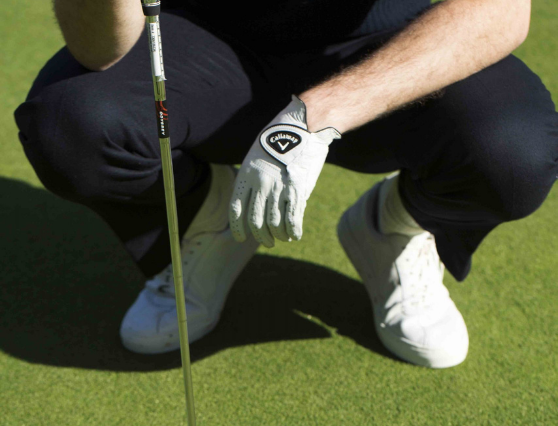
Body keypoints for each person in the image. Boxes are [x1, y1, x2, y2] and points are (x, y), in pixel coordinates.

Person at [14, 0, 557, 368]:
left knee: (515, 152)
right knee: (72, 125)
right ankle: (208, 219)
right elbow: (101, 53)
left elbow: (501, 10)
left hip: (395, 39)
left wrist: (315, 117)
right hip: (207, 36)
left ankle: (393, 227)